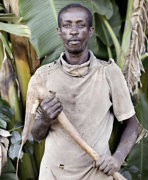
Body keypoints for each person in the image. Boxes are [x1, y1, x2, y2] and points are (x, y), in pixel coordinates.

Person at [28, 3, 139, 179]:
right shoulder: (43, 76)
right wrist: (44, 118)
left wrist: (117, 159)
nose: (73, 31)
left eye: (80, 25)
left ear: (91, 31)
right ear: (59, 31)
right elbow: (35, 134)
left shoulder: (108, 73)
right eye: (67, 25)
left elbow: (132, 125)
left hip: (96, 172)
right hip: (54, 173)